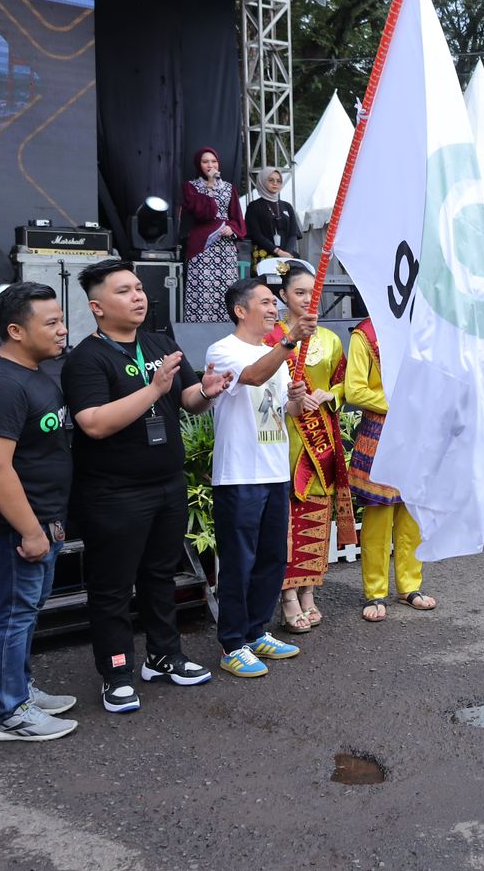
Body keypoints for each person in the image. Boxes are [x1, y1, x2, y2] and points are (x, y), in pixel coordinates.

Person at [64, 259, 226, 713]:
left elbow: (188, 402)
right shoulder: (86, 358)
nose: (138, 296)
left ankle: (164, 656)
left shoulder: (160, 343)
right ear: (97, 307)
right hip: (113, 492)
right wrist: (154, 389)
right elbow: (94, 424)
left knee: (161, 575)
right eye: (124, 291)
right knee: (113, 586)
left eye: (139, 288)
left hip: (167, 484)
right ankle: (116, 672)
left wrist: (208, 390)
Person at [0, 283, 80, 741]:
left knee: (24, 614)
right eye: (50, 322)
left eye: (61, 319)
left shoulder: (33, 373)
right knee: (12, 616)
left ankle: (20, 691)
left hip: (43, 519)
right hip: (17, 528)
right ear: (15, 330)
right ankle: (8, 714)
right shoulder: (0, 385)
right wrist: (30, 531)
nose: (62, 330)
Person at [205, 277, 314, 677]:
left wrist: (298, 398)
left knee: (271, 558)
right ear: (240, 310)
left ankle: (255, 633)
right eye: (266, 303)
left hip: (273, 472)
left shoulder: (274, 352)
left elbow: (289, 413)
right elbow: (250, 378)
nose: (274, 309)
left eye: (274, 303)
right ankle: (232, 644)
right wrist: (288, 343)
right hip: (238, 476)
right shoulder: (223, 349)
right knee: (239, 561)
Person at [257, 261, 354, 636]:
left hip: (322, 436)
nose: (307, 299)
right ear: (283, 296)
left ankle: (310, 592)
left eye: (313, 293)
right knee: (287, 520)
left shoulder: (330, 340)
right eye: (299, 292)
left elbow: (344, 383)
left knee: (317, 513)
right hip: (286, 437)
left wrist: (331, 393)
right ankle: (287, 599)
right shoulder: (273, 339)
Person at [344, 316, 436, 622]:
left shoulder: (421, 329)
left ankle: (410, 585)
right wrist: (400, 403)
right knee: (379, 515)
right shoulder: (366, 333)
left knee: (411, 513)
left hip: (415, 430)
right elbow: (355, 390)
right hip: (381, 433)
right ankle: (376, 590)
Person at [182, 147, 245, 323]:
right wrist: (209, 185)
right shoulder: (191, 187)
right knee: (204, 291)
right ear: (198, 165)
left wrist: (232, 228)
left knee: (227, 289)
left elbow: (237, 217)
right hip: (203, 247)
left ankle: (228, 329)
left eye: (213, 161)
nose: (210, 165)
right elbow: (204, 214)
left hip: (225, 248)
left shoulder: (228, 188)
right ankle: (199, 333)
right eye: (205, 162)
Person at [244, 168, 301, 265]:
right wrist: (279, 252)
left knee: (299, 276)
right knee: (270, 279)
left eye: (278, 181)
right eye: (271, 180)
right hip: (264, 256)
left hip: (287, 256)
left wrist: (287, 253)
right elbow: (256, 235)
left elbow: (293, 233)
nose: (275, 183)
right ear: (262, 181)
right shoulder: (254, 206)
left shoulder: (287, 206)